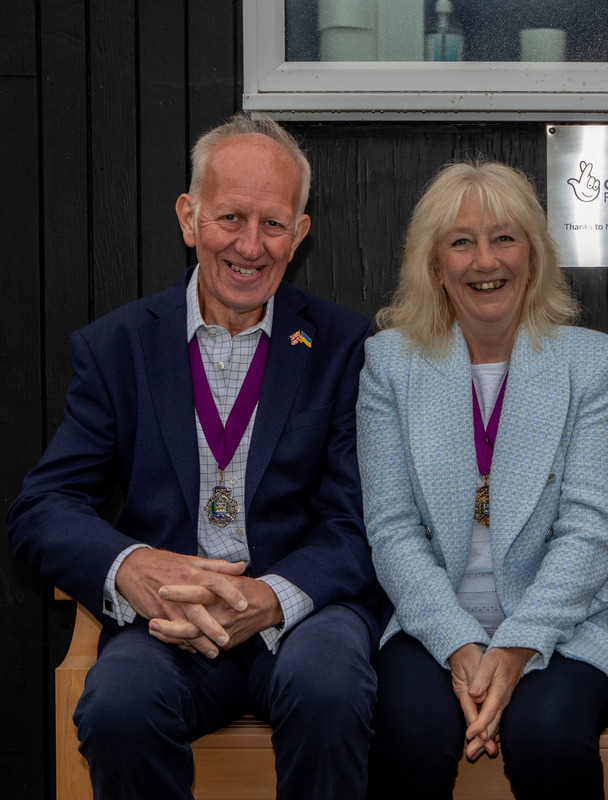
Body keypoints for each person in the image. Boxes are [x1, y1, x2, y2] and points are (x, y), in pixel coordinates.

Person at [6, 114, 385, 799]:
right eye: (230, 217)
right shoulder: (117, 347)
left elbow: (359, 520)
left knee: (332, 690)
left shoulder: (343, 347)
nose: (250, 245)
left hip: (300, 618)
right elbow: (43, 507)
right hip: (170, 625)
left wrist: (270, 597)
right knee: (116, 705)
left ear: (300, 234)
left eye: (273, 224)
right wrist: (132, 566)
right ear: (189, 217)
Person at [357, 160, 608, 800]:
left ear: (533, 254)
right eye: (462, 242)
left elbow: (590, 533)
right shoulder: (390, 364)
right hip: (432, 622)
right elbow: (392, 531)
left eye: (505, 238)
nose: (486, 261)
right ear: (434, 263)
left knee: (549, 735)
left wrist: (515, 650)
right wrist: (460, 648)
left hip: (560, 624)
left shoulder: (591, 364)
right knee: (409, 731)